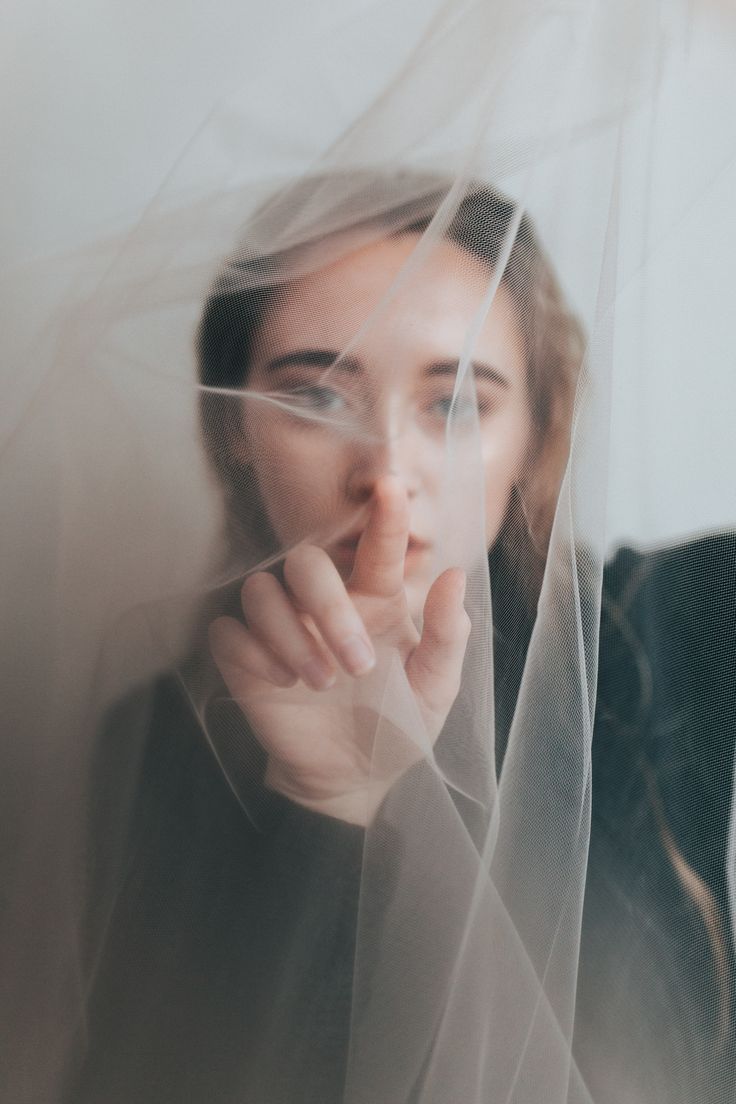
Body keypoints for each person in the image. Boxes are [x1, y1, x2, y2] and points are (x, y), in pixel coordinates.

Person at [63, 174, 735, 1104]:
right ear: (233, 432)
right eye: (316, 398)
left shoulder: (679, 620)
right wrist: (321, 803)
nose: (386, 476)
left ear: (537, 435)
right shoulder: (158, 741)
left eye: (454, 403)